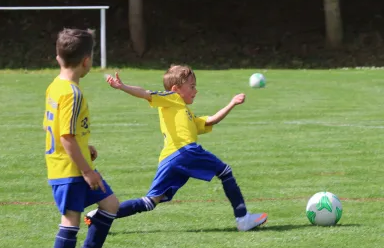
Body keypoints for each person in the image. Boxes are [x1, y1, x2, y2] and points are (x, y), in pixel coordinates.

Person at [85, 65, 267, 231]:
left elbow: (211, 120)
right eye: (192, 86)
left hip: (170, 158)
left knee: (150, 202)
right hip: (185, 151)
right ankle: (243, 218)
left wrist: (232, 103)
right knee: (225, 171)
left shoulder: (185, 111)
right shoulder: (171, 98)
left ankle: (100, 216)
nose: (196, 90)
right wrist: (122, 86)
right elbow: (146, 93)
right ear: (176, 89)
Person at [43, 28, 120, 248]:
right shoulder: (73, 93)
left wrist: (86, 146)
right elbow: (65, 136)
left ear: (58, 57)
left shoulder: (56, 86)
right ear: (87, 60)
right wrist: (87, 170)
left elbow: (60, 130)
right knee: (71, 220)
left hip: (68, 163)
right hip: (70, 169)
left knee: (110, 203)